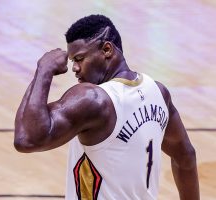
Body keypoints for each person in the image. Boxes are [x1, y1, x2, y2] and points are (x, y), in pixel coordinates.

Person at [14, 14, 199, 200]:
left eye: (79, 58)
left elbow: (26, 139)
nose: (75, 68)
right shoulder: (158, 92)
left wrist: (44, 70)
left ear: (107, 50)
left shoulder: (93, 99)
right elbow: (186, 156)